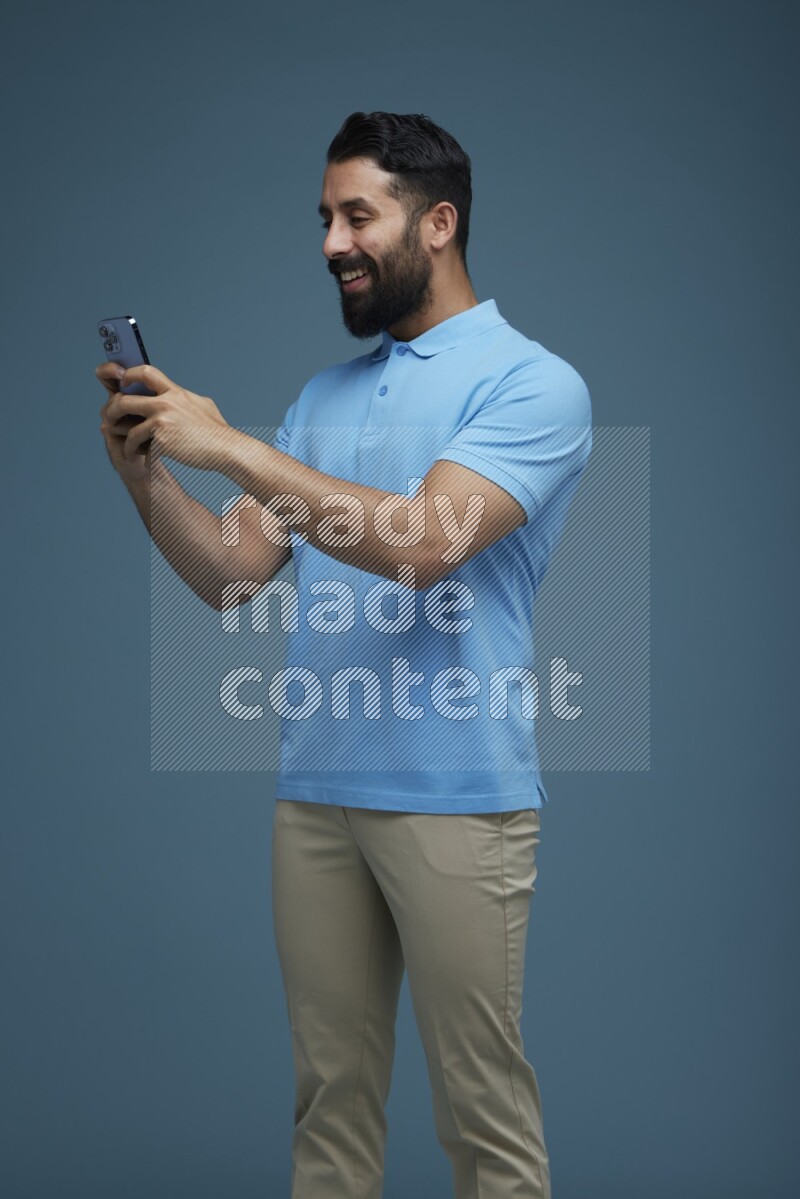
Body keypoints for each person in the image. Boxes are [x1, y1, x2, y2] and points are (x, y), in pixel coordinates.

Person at [97, 110, 592, 1199]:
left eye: (356, 214)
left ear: (438, 222)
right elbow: (230, 575)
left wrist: (231, 445)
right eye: (324, 218)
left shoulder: (531, 384)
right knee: (328, 1110)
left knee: (483, 1120)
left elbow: (423, 543)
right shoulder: (323, 397)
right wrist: (149, 472)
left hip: (459, 799)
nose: (331, 241)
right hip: (314, 797)